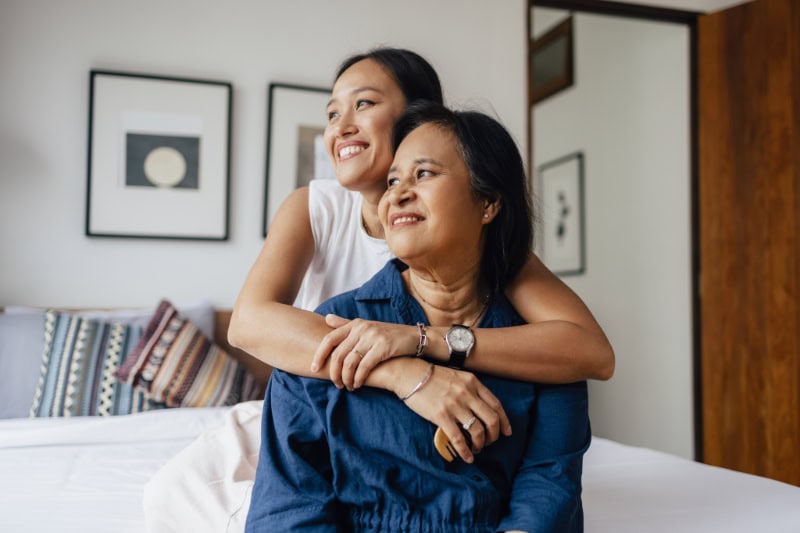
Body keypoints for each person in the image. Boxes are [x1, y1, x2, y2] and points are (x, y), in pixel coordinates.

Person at [143, 47, 612, 532]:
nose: (341, 125)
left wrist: (424, 340)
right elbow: (251, 324)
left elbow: (587, 353)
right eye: (331, 113)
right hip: (319, 389)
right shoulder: (316, 209)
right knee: (179, 496)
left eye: (363, 104)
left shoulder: (488, 251)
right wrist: (410, 374)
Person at [245, 101, 591, 532]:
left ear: (487, 203)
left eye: (423, 174)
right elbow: (289, 508)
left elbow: (549, 484)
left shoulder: (541, 348)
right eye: (392, 181)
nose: (397, 193)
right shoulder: (332, 327)